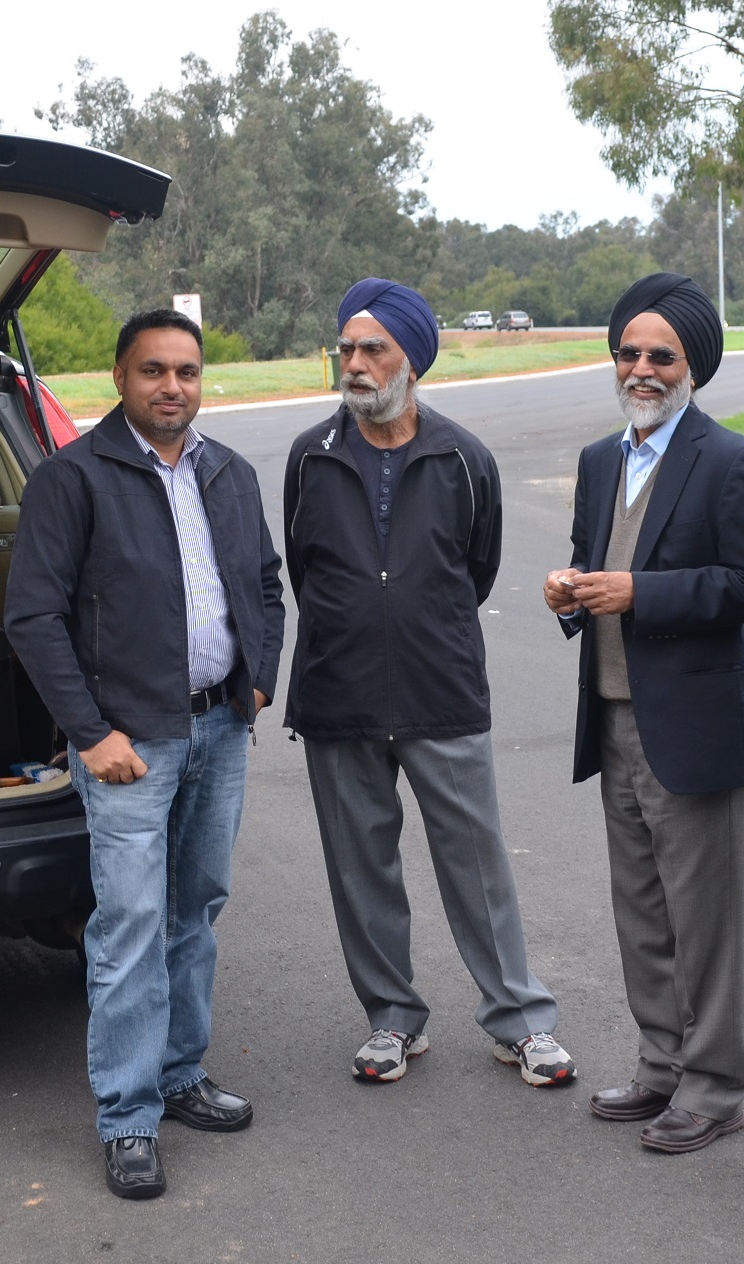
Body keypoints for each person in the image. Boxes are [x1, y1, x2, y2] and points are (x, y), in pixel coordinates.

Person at [5, 308, 285, 1201]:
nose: (174, 386)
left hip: (219, 727)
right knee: (128, 926)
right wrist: (90, 734)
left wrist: (260, 674)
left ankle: (179, 1074)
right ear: (120, 380)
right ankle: (128, 1118)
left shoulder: (229, 473)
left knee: (194, 910)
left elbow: (264, 583)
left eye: (188, 372)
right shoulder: (73, 478)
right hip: (128, 742)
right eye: (154, 370)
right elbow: (34, 617)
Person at [283, 278, 575, 1089]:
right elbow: (310, 571)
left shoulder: (464, 459)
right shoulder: (312, 457)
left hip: (440, 691)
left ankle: (519, 1021)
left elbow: (473, 573)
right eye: (346, 348)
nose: (355, 363)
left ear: (414, 360)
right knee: (360, 864)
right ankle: (391, 1019)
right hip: (339, 695)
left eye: (373, 348)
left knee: (477, 862)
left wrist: (410, 622)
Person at [542, 273, 744, 1154]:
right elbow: (586, 563)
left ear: (693, 367)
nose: (640, 368)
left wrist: (642, 591)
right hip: (613, 716)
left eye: (660, 355)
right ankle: (661, 1066)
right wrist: (567, 593)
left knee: (704, 918)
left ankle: (716, 1088)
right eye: (628, 353)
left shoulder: (731, 461)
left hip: (693, 728)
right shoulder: (602, 460)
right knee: (641, 907)